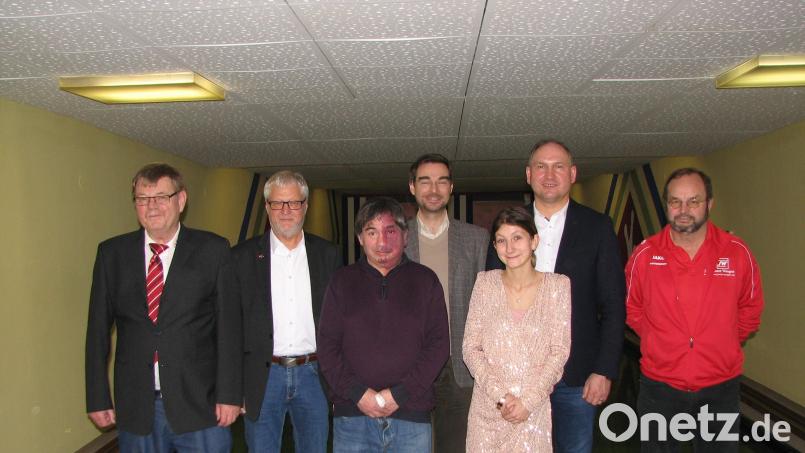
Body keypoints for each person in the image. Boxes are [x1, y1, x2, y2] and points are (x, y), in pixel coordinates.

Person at [85, 163, 242, 452]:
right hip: (137, 405)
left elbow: (229, 328)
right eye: (143, 199)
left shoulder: (213, 250)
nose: (151, 206)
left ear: (181, 200)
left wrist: (230, 394)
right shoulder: (112, 255)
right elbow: (97, 331)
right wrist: (97, 396)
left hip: (200, 403)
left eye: (161, 197)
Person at [487, 139, 625, 452]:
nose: (549, 174)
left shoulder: (598, 227)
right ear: (528, 174)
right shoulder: (507, 227)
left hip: (575, 376)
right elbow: (492, 304)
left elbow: (614, 305)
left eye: (558, 166)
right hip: (517, 375)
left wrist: (604, 369)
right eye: (541, 166)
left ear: (573, 173)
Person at [625, 167, 764, 452]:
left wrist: (719, 342)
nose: (683, 209)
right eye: (675, 201)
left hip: (720, 389)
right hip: (659, 389)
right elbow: (632, 308)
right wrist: (662, 341)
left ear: (709, 204)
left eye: (694, 201)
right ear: (666, 206)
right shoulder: (645, 255)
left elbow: (750, 310)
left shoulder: (737, 252)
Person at [318, 197, 450, 453]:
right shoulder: (341, 282)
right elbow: (327, 347)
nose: (382, 242)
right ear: (360, 238)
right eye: (372, 232)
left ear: (405, 236)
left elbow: (439, 346)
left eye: (390, 231)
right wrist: (358, 394)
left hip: (411, 416)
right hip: (353, 416)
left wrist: (398, 395)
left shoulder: (426, 281)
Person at [232, 170, 342, 452]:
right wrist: (235, 388)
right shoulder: (241, 257)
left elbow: (341, 321)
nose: (285, 210)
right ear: (267, 207)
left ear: (305, 206)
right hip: (262, 376)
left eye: (293, 202)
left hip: (314, 375)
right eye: (277, 203)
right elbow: (230, 326)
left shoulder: (327, 254)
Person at [464, 207, 571, 452]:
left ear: (534, 240)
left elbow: (559, 352)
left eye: (517, 238)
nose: (509, 248)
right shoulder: (485, 284)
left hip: (532, 413)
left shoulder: (557, 287)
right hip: (488, 411)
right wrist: (502, 398)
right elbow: (470, 348)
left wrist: (528, 402)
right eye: (501, 240)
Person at [405, 153, 489, 452]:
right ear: (412, 187)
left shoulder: (477, 239)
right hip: (408, 367)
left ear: (451, 188)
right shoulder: (394, 240)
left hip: (460, 370)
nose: (433, 189)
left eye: (442, 181)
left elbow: (488, 306)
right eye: (425, 181)